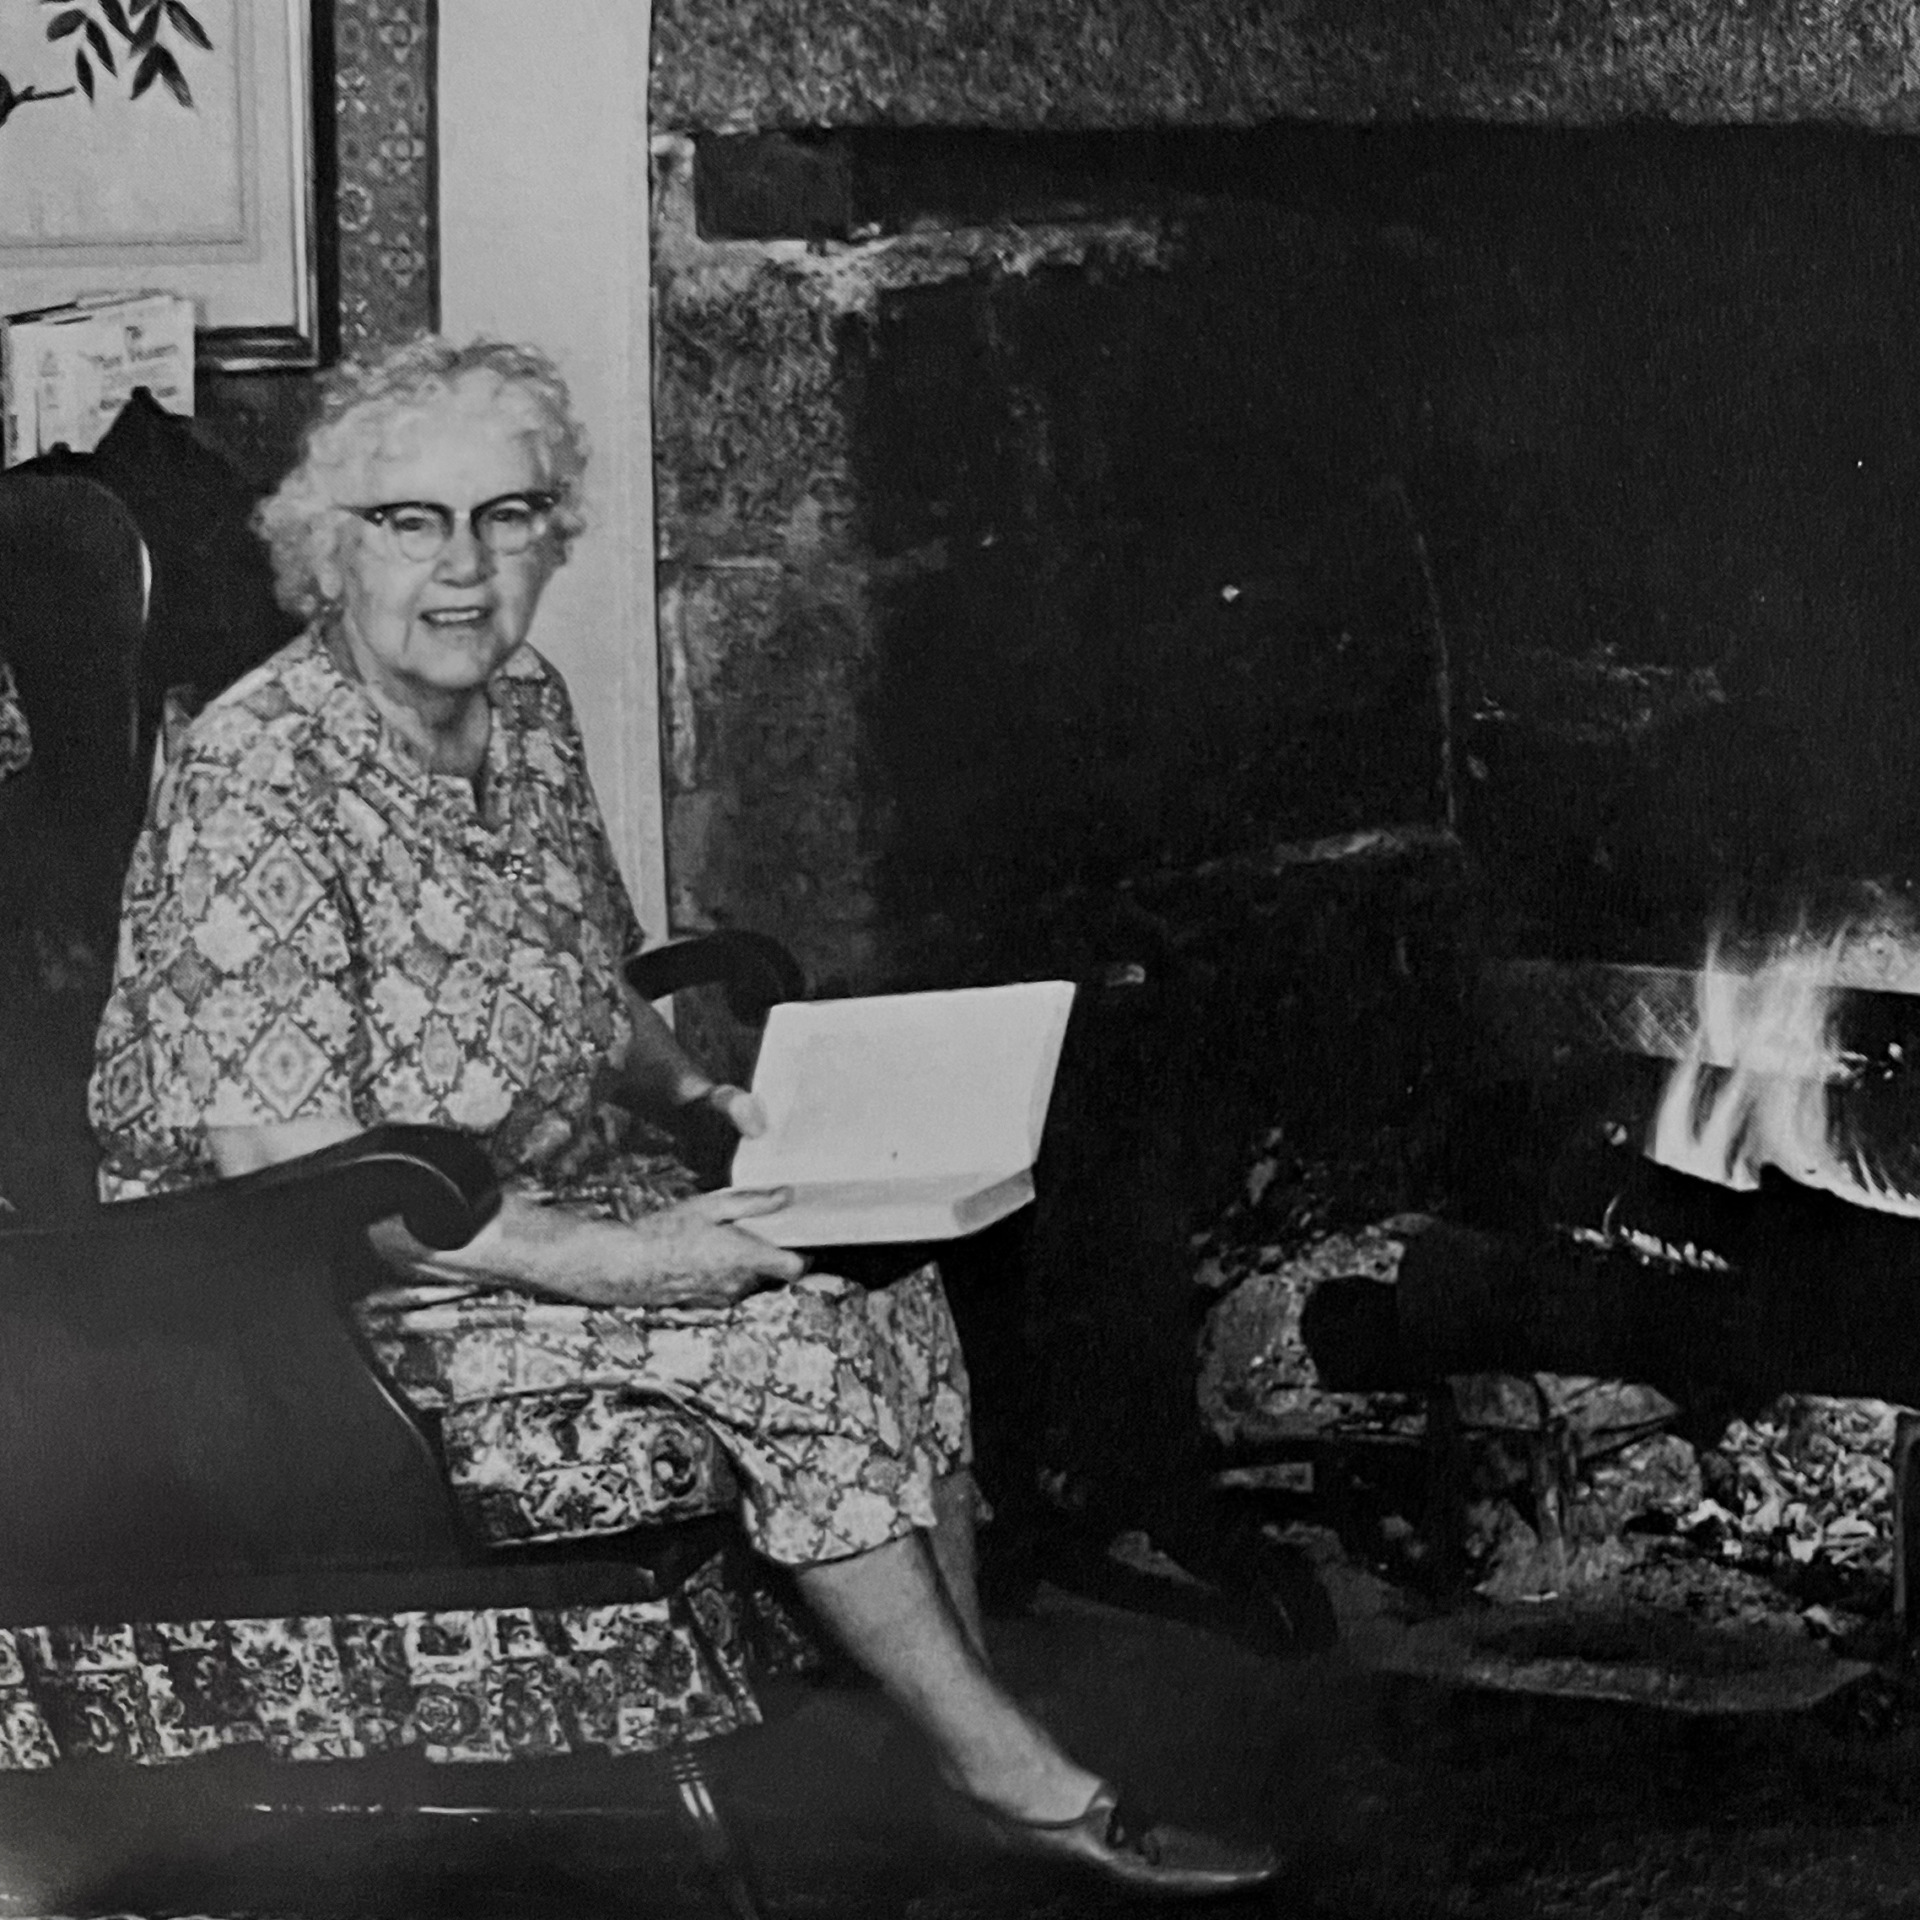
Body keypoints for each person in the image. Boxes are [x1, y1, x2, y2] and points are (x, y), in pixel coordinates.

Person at [88, 335, 1278, 1899]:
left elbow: (590, 981)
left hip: (510, 1214)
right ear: (328, 548)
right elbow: (285, 1169)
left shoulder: (523, 701)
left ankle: (965, 1732)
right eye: (410, 522)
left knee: (877, 1274)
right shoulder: (260, 772)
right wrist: (620, 1260)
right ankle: (1015, 1777)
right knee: (773, 1332)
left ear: (548, 536)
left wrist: (709, 1096)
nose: (464, 567)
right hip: (284, 1300)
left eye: (507, 518)